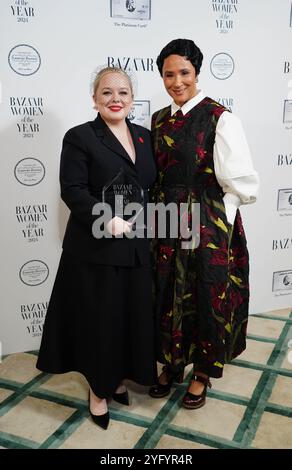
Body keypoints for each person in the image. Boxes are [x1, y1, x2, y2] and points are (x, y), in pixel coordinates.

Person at [37, 66, 157, 429]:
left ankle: (120, 378)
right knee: (100, 323)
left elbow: (149, 185)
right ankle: (98, 390)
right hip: (96, 251)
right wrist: (106, 219)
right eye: (106, 92)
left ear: (132, 99)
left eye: (123, 92)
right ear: (94, 98)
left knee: (130, 318)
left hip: (136, 248)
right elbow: (73, 190)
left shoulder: (144, 137)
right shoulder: (80, 137)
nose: (115, 99)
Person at [149, 39, 259, 409]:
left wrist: (219, 222)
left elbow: (241, 182)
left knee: (205, 294)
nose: (176, 81)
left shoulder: (220, 117)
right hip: (166, 219)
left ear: (197, 72)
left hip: (207, 221)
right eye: (168, 74)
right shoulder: (159, 118)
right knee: (167, 293)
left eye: (184, 72)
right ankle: (172, 362)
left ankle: (202, 373)